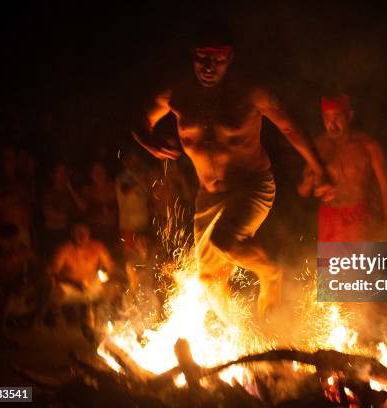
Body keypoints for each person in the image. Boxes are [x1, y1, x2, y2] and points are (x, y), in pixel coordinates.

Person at [133, 26, 333, 318]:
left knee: (226, 240)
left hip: (252, 186)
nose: (209, 66)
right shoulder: (177, 93)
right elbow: (140, 120)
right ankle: (237, 334)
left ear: (230, 58)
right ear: (193, 56)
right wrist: (147, 140)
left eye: (218, 59)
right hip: (208, 196)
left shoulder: (250, 92)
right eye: (202, 57)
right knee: (209, 279)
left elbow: (290, 127)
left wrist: (320, 169)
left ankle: (271, 274)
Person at [299, 92, 387, 241]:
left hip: (359, 216)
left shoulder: (368, 145)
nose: (332, 124)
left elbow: (386, 188)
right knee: (330, 265)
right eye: (327, 118)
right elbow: (303, 191)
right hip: (328, 218)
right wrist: (311, 184)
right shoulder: (318, 146)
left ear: (349, 116)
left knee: (360, 264)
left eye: (337, 117)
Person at [49, 222, 114, 330]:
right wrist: (73, 282)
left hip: (92, 285)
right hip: (70, 286)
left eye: (85, 233)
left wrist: (106, 271)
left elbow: (109, 265)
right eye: (79, 233)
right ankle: (58, 321)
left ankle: (101, 320)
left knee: (113, 288)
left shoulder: (97, 247)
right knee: (53, 291)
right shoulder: (64, 250)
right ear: (72, 234)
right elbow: (54, 272)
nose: (82, 236)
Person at [41, 163, 86, 256]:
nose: (63, 174)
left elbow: (83, 207)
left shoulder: (72, 192)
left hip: (70, 233)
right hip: (54, 233)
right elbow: (48, 212)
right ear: (53, 174)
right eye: (59, 172)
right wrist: (70, 216)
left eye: (64, 172)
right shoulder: (48, 192)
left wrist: (70, 189)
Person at [115, 151, 152, 260]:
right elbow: (125, 190)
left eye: (135, 160)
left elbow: (147, 196)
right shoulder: (121, 178)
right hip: (128, 224)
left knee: (144, 254)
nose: (134, 162)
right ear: (125, 162)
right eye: (131, 160)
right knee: (131, 255)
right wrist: (139, 182)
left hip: (143, 222)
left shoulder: (143, 176)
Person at [82, 161, 118, 248]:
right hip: (95, 232)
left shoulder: (114, 187)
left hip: (113, 231)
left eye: (101, 170)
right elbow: (84, 208)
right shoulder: (87, 190)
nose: (98, 174)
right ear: (91, 174)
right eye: (95, 171)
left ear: (106, 172)